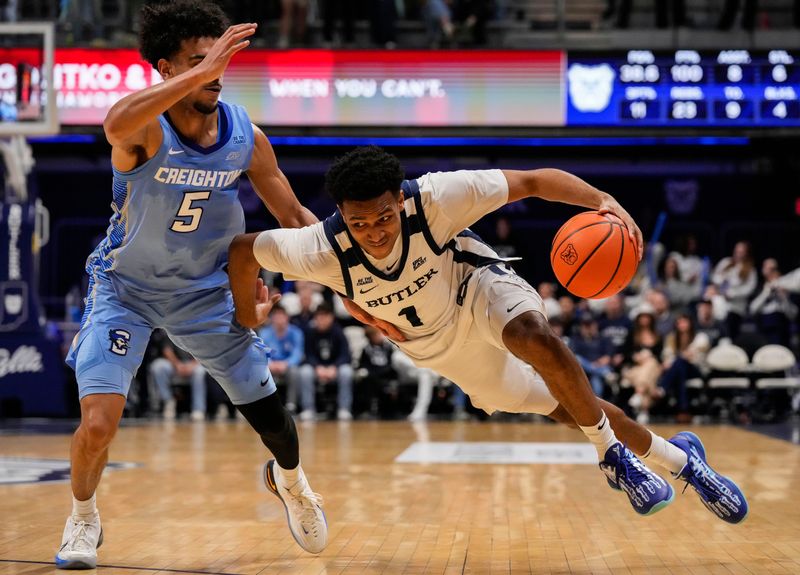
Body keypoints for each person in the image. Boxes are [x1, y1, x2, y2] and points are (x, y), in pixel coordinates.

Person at [228, 145, 747, 524]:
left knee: (533, 336)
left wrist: (601, 199)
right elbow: (244, 249)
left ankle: (612, 459)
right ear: (341, 214)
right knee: (571, 407)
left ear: (401, 202)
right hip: (441, 350)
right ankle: (682, 462)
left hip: (476, 288)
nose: (376, 232)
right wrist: (248, 314)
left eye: (385, 216)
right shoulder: (318, 248)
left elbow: (533, 181)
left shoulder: (436, 197)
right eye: (360, 223)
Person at [56, 2, 327, 568]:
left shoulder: (243, 134)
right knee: (99, 423)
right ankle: (83, 518)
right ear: (166, 67)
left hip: (206, 293)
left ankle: (293, 484)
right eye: (198, 62)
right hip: (125, 289)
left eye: (218, 62)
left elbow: (295, 217)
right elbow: (111, 124)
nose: (215, 73)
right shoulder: (143, 129)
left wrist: (348, 277)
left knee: (273, 421)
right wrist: (199, 73)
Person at [297, 303, 353, 421]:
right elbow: (308, 354)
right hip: (317, 369)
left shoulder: (338, 332)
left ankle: (344, 408)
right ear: (315, 318)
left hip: (335, 369)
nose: (322, 319)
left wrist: (334, 367)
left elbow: (345, 355)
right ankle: (308, 409)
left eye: (325, 316)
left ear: (331, 317)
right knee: (305, 372)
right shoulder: (310, 332)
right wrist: (317, 367)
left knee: (346, 372)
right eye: (319, 316)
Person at [148, 329, 208, 421]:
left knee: (200, 371)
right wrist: (177, 365)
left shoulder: (200, 329)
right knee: (158, 366)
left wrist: (191, 365)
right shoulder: (171, 326)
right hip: (175, 365)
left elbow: (205, 352)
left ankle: (198, 409)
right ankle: (168, 401)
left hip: (194, 365)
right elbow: (167, 349)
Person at [258, 305, 305, 412]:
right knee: (261, 371)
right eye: (277, 316)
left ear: (287, 317)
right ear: (272, 318)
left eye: (282, 316)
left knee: (294, 371)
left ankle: (291, 404)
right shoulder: (264, 333)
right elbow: (263, 352)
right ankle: (268, 405)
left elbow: (297, 353)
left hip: (288, 365)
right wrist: (270, 363)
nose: (279, 319)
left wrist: (286, 364)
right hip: (271, 365)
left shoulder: (296, 332)